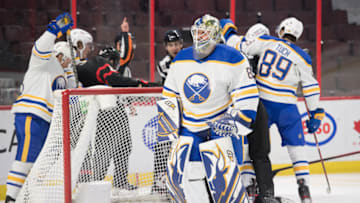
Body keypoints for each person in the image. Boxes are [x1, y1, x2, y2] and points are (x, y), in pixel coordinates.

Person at [160, 14, 259, 202]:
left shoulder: (234, 57)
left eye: (205, 33)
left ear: (215, 35)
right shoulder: (181, 58)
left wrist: (238, 121)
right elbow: (170, 94)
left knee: (226, 180)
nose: (201, 38)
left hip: (221, 124)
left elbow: (247, 94)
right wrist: (169, 128)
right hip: (190, 126)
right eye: (198, 33)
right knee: (190, 176)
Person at [241, 17, 325, 203]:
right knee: (297, 149)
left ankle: (249, 185)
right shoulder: (303, 57)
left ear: (282, 30)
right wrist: (315, 113)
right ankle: (304, 189)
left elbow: (244, 49)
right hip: (288, 106)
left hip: (262, 103)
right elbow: (311, 87)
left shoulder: (268, 41)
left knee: (253, 146)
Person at [5, 13, 74, 203]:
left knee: (36, 162)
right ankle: (10, 198)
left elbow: (73, 91)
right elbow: (39, 48)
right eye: (68, 58)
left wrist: (69, 70)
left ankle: (26, 197)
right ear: (60, 54)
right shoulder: (44, 61)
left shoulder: (62, 71)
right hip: (31, 115)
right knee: (26, 159)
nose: (69, 61)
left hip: (45, 121)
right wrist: (53, 31)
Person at [221, 19, 279, 203]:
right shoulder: (259, 51)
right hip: (255, 103)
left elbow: (227, 30)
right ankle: (266, 193)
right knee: (260, 153)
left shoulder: (228, 47)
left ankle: (236, 190)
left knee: (235, 152)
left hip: (233, 103)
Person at [151, 29, 183, 194]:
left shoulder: (188, 59)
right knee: (163, 147)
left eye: (177, 44)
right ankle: (159, 182)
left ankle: (182, 181)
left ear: (182, 44)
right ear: (165, 47)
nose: (174, 47)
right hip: (169, 108)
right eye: (171, 45)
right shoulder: (163, 64)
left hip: (186, 109)